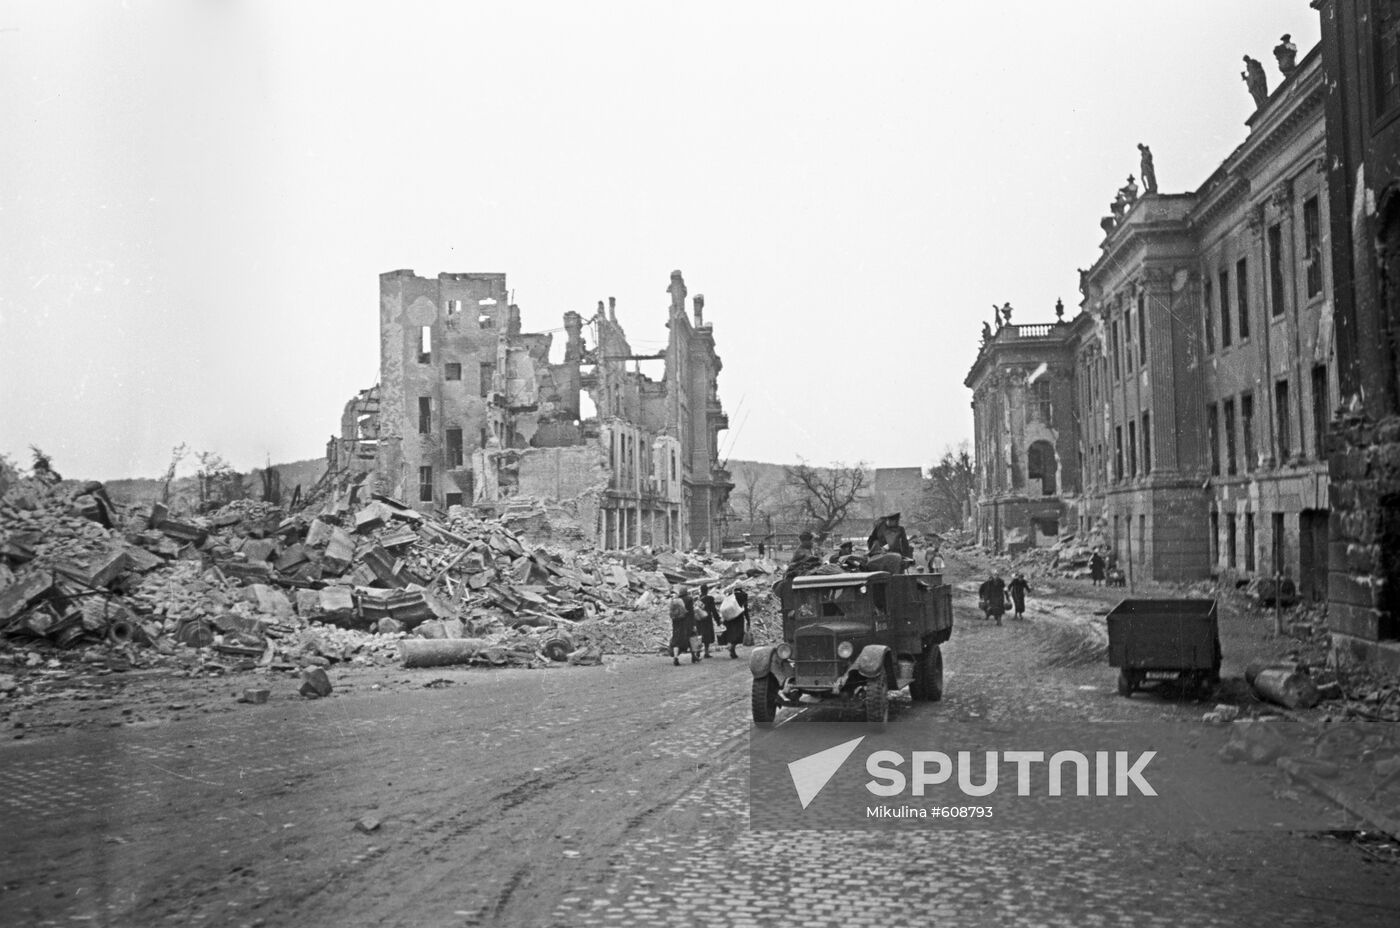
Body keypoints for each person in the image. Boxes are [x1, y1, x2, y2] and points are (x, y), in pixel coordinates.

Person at [668, 589, 697, 666]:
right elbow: (691, 612)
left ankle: (675, 657)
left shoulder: (675, 601)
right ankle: (694, 656)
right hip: (687, 622)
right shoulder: (689, 599)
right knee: (692, 637)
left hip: (675, 623)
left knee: (676, 640)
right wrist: (694, 624)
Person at [719, 588, 747, 659]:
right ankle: (732, 647)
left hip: (729, 619)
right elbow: (745, 608)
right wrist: (748, 620)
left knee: (732, 634)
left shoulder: (729, 598)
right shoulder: (743, 595)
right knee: (739, 634)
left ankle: (732, 649)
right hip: (739, 618)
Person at [696, 584, 719, 659]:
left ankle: (698, 651)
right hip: (707, 619)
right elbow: (713, 610)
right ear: (707, 590)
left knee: (700, 635)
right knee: (707, 636)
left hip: (699, 619)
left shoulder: (698, 599)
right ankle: (706, 652)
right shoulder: (710, 598)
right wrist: (717, 620)